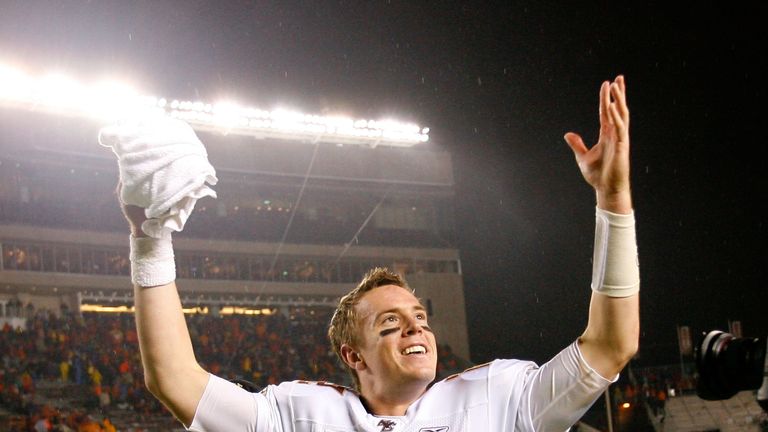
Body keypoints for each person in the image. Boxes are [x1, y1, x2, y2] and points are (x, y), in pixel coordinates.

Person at [118, 75, 639, 431]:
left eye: (418, 317)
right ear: (353, 355)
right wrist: (150, 239)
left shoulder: (502, 398)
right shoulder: (300, 416)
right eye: (389, 323)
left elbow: (611, 346)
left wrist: (613, 200)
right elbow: (174, 380)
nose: (417, 329)